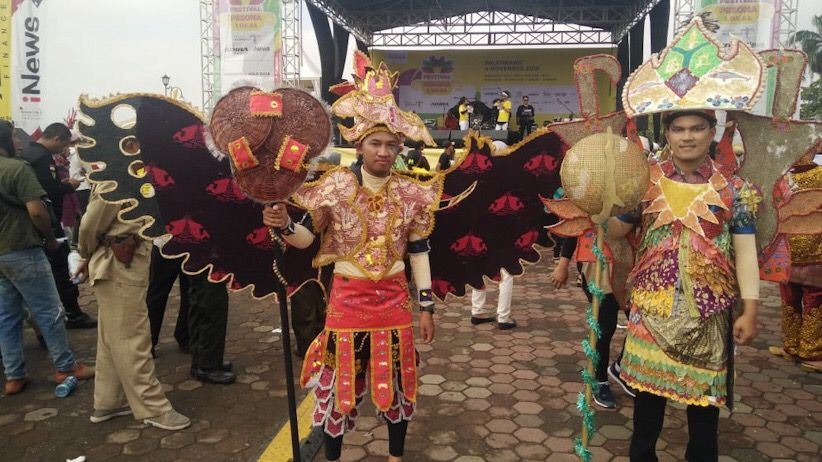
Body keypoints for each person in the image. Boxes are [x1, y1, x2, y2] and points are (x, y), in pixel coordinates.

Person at [262, 57, 440, 462]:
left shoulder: (412, 192)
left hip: (394, 305)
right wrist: (286, 224)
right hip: (345, 305)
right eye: (375, 144)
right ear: (359, 144)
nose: (383, 151)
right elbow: (308, 241)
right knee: (338, 389)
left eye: (390, 145)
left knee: (399, 384)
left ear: (398, 148)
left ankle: (395, 456)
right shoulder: (335, 186)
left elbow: (419, 252)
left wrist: (425, 307)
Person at [609, 111, 760, 460]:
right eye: (678, 129)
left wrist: (750, 309)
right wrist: (598, 207)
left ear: (712, 132)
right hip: (651, 310)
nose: (687, 136)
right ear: (668, 133)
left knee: (704, 417)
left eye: (696, 128)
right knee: (646, 414)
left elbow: (746, 252)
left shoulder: (735, 189)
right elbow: (617, 230)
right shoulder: (643, 182)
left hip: (707, 315)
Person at [75, 178, 190, 430]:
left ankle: (109, 402)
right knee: (133, 340)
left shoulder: (131, 171)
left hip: (122, 264)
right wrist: (85, 253)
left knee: (112, 339)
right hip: (118, 266)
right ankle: (153, 407)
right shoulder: (115, 176)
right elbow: (88, 227)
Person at [0, 120, 94, 396]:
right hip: (23, 248)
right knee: (49, 311)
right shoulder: (16, 168)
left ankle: (14, 375)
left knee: (7, 317)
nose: (20, 143)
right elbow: (37, 211)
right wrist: (50, 239)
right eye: (15, 139)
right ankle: (65, 367)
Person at [19, 122, 96, 329]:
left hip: (34, 224)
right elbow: (46, 191)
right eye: (63, 145)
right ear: (56, 139)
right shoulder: (41, 157)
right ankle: (72, 313)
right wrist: (67, 186)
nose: (63, 150)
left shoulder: (27, 154)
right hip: (47, 221)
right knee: (60, 269)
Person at [766, 152, 821, 372]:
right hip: (815, 249)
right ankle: (811, 351)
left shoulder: (780, 176)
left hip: (785, 249)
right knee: (815, 299)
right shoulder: (820, 174)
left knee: (789, 297)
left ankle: (790, 345)